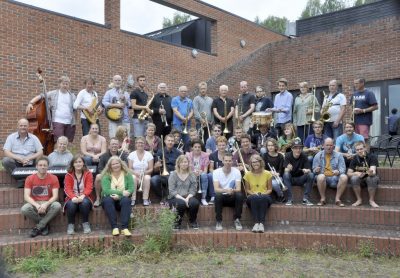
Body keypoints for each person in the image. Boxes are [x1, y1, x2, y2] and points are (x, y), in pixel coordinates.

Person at [26, 76, 77, 142]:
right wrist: (31, 103)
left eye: (67, 84)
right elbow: (41, 96)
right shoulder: (54, 93)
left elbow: (77, 106)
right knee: (59, 141)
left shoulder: (72, 96)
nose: (65, 85)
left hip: (70, 122)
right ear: (60, 84)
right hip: (57, 121)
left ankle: (66, 152)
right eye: (63, 83)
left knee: (67, 142)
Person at [21, 156, 61, 237]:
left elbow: (55, 196)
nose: (42, 167)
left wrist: (45, 204)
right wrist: (37, 206)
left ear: (48, 166)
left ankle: (39, 226)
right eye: (40, 165)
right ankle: (44, 224)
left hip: (48, 202)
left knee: (57, 205)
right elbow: (26, 196)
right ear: (36, 166)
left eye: (45, 165)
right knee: (24, 209)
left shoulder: (54, 178)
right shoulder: (30, 178)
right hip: (35, 203)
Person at [3, 118, 43, 187]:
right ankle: (21, 179)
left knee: (43, 159)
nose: (23, 127)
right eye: (21, 125)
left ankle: (30, 179)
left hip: (31, 164)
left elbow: (40, 151)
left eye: (25, 126)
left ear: (28, 127)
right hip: (16, 164)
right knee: (5, 161)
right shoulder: (11, 137)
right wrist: (19, 158)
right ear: (17, 126)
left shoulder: (34, 138)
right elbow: (6, 152)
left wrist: (30, 158)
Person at [101, 156, 134, 236]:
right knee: (107, 200)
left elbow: (131, 188)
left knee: (126, 200)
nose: (115, 165)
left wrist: (121, 196)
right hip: (109, 200)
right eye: (113, 164)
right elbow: (106, 190)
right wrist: (122, 193)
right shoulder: (106, 175)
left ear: (121, 164)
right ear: (110, 166)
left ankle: (124, 228)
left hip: (121, 200)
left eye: (117, 163)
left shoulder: (127, 174)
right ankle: (114, 227)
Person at [93, 138, 128, 207]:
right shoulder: (104, 156)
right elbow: (100, 169)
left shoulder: (123, 155)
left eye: (116, 144)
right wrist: (108, 174)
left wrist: (122, 164)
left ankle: (124, 197)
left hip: (119, 176)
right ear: (109, 146)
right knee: (98, 177)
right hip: (107, 175)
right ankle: (98, 198)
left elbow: (126, 168)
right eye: (112, 144)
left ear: (119, 146)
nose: (114, 146)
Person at [168, 155, 200, 230]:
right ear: (178, 163)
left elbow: (193, 189)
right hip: (175, 197)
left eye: (185, 162)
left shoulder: (192, 174)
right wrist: (184, 200)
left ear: (188, 163)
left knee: (194, 203)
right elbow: (172, 191)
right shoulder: (173, 175)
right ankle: (176, 223)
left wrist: (188, 198)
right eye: (182, 162)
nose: (184, 164)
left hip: (188, 195)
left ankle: (193, 221)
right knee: (181, 203)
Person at [64, 154, 93, 235]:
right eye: (76, 162)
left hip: (85, 196)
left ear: (83, 163)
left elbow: (89, 187)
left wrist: (83, 196)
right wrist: (73, 197)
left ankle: (85, 223)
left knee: (84, 203)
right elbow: (67, 189)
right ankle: (70, 225)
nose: (78, 164)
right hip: (72, 197)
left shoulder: (88, 173)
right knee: (71, 204)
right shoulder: (68, 175)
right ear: (73, 164)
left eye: (80, 162)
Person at [313, 138, 347, 207]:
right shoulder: (318, 155)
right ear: (323, 146)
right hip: (323, 178)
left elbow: (343, 169)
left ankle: (337, 199)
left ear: (333, 146)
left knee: (344, 177)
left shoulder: (339, 155)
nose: (329, 147)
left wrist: (338, 171)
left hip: (335, 177)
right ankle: (322, 198)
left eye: (331, 145)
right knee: (320, 176)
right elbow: (313, 170)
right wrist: (316, 170)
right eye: (327, 145)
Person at [213, 153, 243, 231]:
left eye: (229, 160)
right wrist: (226, 190)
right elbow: (216, 189)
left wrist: (232, 191)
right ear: (222, 161)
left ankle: (237, 220)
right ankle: (219, 221)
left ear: (232, 161)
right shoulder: (216, 172)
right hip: (222, 197)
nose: (228, 162)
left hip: (232, 196)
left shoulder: (236, 171)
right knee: (218, 195)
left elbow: (239, 188)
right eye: (226, 160)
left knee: (239, 195)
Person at [244, 154, 273, 233]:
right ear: (251, 164)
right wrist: (254, 194)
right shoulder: (248, 174)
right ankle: (256, 223)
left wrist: (263, 194)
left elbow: (270, 189)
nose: (255, 164)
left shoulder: (267, 173)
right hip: (252, 196)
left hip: (265, 195)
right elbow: (247, 190)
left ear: (261, 162)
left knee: (262, 198)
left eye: (257, 162)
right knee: (255, 198)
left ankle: (261, 224)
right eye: (253, 162)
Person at [347, 141, 380, 208]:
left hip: (370, 177)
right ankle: (359, 200)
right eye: (357, 150)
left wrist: (368, 173)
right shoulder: (355, 158)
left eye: (361, 149)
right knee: (353, 178)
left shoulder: (372, 157)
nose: (360, 151)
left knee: (372, 178)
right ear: (355, 151)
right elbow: (348, 173)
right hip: (360, 179)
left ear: (365, 148)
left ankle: (371, 201)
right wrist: (355, 173)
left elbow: (373, 172)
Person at [282, 138, 314, 206]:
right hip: (291, 179)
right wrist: (288, 169)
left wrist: (306, 170)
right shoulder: (288, 155)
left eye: (300, 148)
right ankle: (290, 199)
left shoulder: (304, 156)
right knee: (286, 174)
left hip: (300, 178)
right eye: (296, 148)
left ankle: (305, 199)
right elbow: (285, 170)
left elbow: (309, 169)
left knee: (310, 175)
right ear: (292, 149)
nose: (298, 150)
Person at [151, 134, 182, 203]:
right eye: (169, 140)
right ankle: (164, 196)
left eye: (172, 141)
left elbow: (182, 167)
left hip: (175, 175)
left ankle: (170, 197)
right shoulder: (160, 152)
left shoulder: (178, 153)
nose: (170, 142)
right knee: (153, 179)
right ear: (165, 141)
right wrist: (156, 166)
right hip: (163, 175)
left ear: (174, 142)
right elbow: (155, 170)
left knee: (171, 178)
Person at [128, 137, 153, 206]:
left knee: (147, 178)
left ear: (145, 144)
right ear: (135, 144)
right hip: (135, 175)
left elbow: (151, 169)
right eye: (138, 143)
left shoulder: (149, 155)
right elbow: (129, 169)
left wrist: (144, 173)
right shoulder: (131, 154)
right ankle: (133, 199)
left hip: (145, 175)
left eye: (142, 143)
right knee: (132, 177)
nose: (140, 144)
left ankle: (145, 199)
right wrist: (136, 173)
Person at [351, 78, 378, 143]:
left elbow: (376, 107)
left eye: (357, 83)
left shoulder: (369, 93)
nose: (355, 85)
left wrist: (363, 110)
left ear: (362, 83)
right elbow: (351, 106)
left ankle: (366, 153)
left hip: (364, 121)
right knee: (356, 140)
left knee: (364, 139)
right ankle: (359, 153)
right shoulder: (354, 94)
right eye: (354, 83)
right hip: (355, 121)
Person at [186, 139, 210, 206]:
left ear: (201, 148)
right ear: (192, 148)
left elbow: (205, 170)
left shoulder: (205, 155)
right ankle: (190, 196)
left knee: (204, 176)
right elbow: (189, 169)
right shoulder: (189, 155)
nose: (197, 148)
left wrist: (200, 172)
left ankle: (203, 198)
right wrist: (194, 172)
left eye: (199, 147)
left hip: (201, 173)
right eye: (195, 147)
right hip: (191, 173)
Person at [262, 138, 286, 202]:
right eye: (269, 145)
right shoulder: (265, 156)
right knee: (272, 183)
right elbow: (262, 169)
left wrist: (278, 173)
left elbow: (281, 169)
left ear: (275, 146)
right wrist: (269, 172)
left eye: (272, 145)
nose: (270, 147)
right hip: (267, 176)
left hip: (277, 176)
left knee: (275, 183)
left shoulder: (280, 156)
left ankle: (279, 195)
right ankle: (280, 195)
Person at [207, 136, 228, 204]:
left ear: (226, 145)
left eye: (223, 145)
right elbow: (211, 168)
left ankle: (227, 194)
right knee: (210, 175)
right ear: (216, 146)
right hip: (216, 174)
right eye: (219, 145)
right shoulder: (212, 155)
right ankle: (213, 196)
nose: (221, 147)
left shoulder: (229, 154)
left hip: (227, 173)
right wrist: (217, 173)